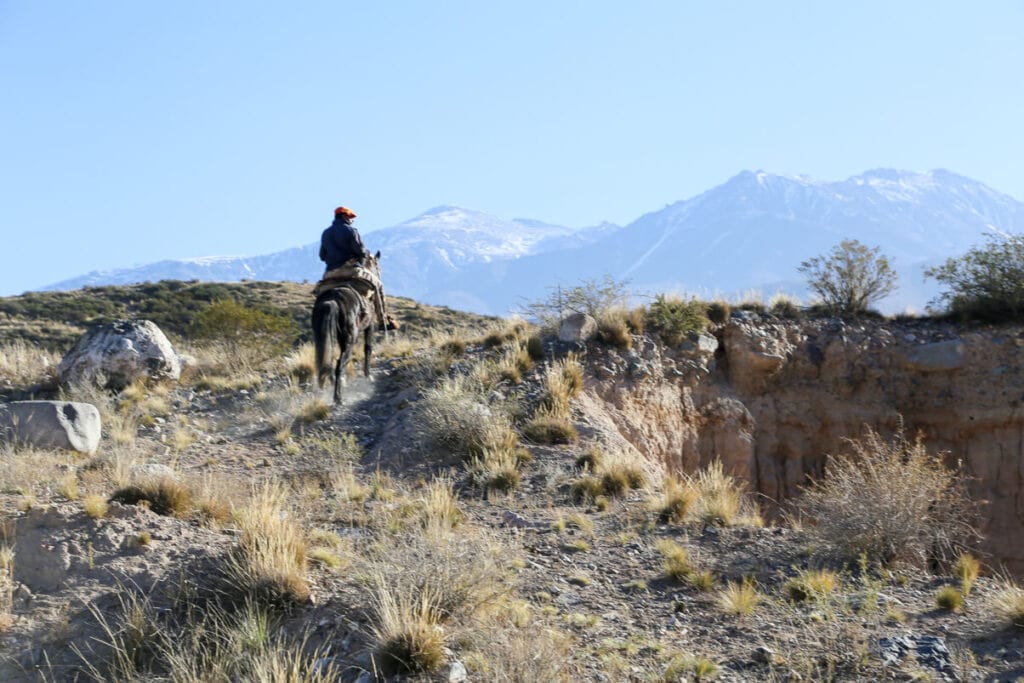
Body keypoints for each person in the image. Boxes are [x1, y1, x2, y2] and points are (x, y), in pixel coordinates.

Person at [319, 206, 369, 271]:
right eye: (350, 217)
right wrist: (366, 253)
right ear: (344, 216)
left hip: (330, 271)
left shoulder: (325, 233)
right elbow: (360, 251)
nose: (352, 220)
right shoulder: (351, 231)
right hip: (350, 269)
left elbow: (322, 256)